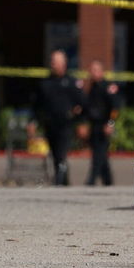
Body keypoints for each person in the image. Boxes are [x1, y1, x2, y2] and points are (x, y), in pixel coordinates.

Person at [30, 49, 82, 186]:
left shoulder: (71, 82)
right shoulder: (45, 82)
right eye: (52, 62)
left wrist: (81, 120)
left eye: (56, 62)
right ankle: (64, 183)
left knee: (61, 154)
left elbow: (82, 102)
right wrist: (33, 122)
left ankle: (58, 183)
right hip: (50, 124)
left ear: (63, 64)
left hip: (66, 124)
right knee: (55, 155)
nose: (53, 65)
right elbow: (37, 104)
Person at [81, 59, 120, 186]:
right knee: (101, 156)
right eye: (91, 70)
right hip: (94, 125)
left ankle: (91, 181)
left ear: (102, 71)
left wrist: (110, 123)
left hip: (104, 125)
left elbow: (115, 107)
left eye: (95, 70)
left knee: (98, 155)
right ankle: (108, 181)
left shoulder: (108, 87)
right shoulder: (92, 88)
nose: (92, 73)